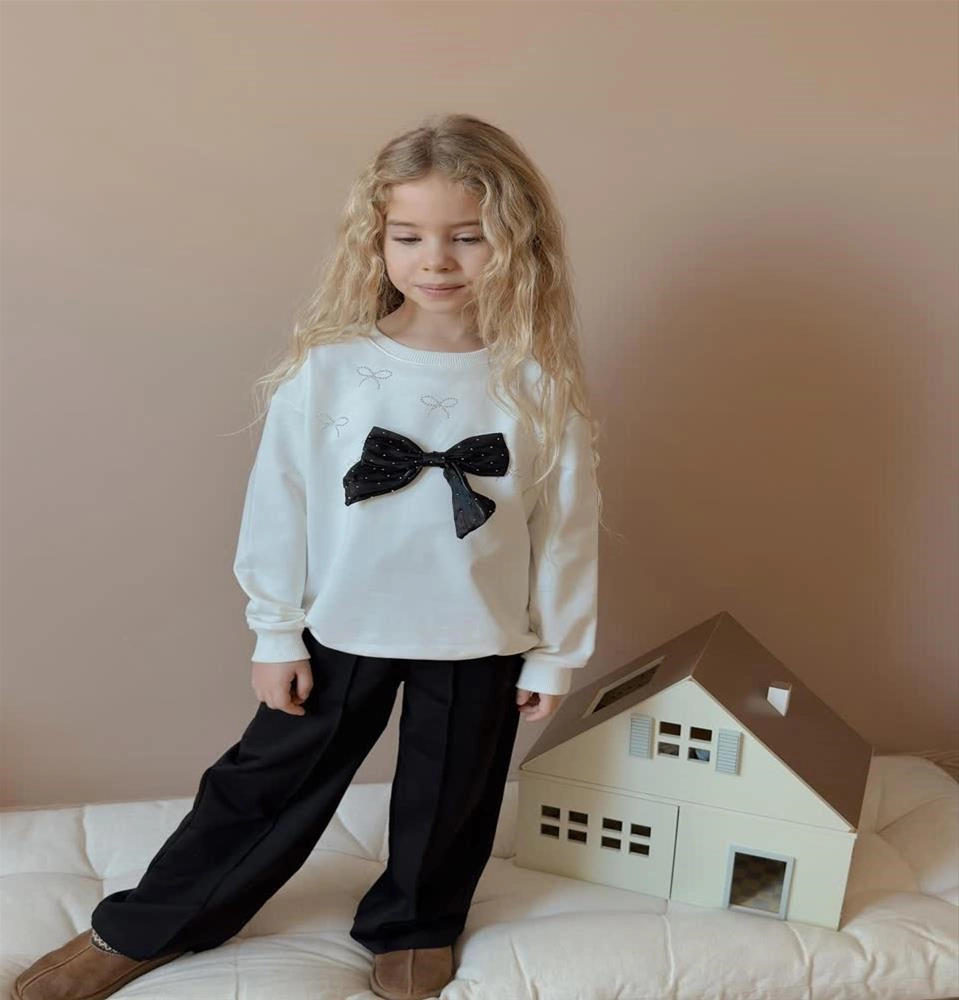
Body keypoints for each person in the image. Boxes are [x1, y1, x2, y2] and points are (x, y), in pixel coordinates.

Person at [13, 112, 608, 1000]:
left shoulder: (536, 383)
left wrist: (555, 651)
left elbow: (564, 527)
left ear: (516, 241)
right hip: (343, 621)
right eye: (408, 236)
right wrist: (275, 631)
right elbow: (279, 505)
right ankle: (149, 924)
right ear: (376, 240)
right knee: (266, 781)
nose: (436, 261)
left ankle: (415, 924)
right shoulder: (328, 368)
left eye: (467, 237)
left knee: (452, 795)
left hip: (479, 632)